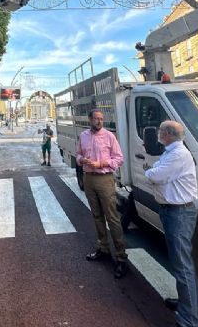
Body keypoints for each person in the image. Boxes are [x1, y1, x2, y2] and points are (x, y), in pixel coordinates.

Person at [145, 120, 198, 327]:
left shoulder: (177, 154)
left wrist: (149, 172)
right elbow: (158, 171)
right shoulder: (171, 151)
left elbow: (156, 175)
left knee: (182, 267)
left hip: (178, 213)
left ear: (167, 134)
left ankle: (189, 320)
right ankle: (190, 306)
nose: (158, 134)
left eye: (160, 131)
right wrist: (153, 171)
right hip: (174, 211)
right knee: (183, 263)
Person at [76, 109, 128, 279]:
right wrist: (80, 160)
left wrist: (100, 164)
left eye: (101, 119)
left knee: (112, 217)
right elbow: (78, 153)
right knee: (97, 216)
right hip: (89, 178)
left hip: (104, 178)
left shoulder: (109, 136)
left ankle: (121, 257)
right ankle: (103, 248)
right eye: (96, 119)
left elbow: (119, 159)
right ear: (89, 119)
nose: (99, 121)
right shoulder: (83, 135)